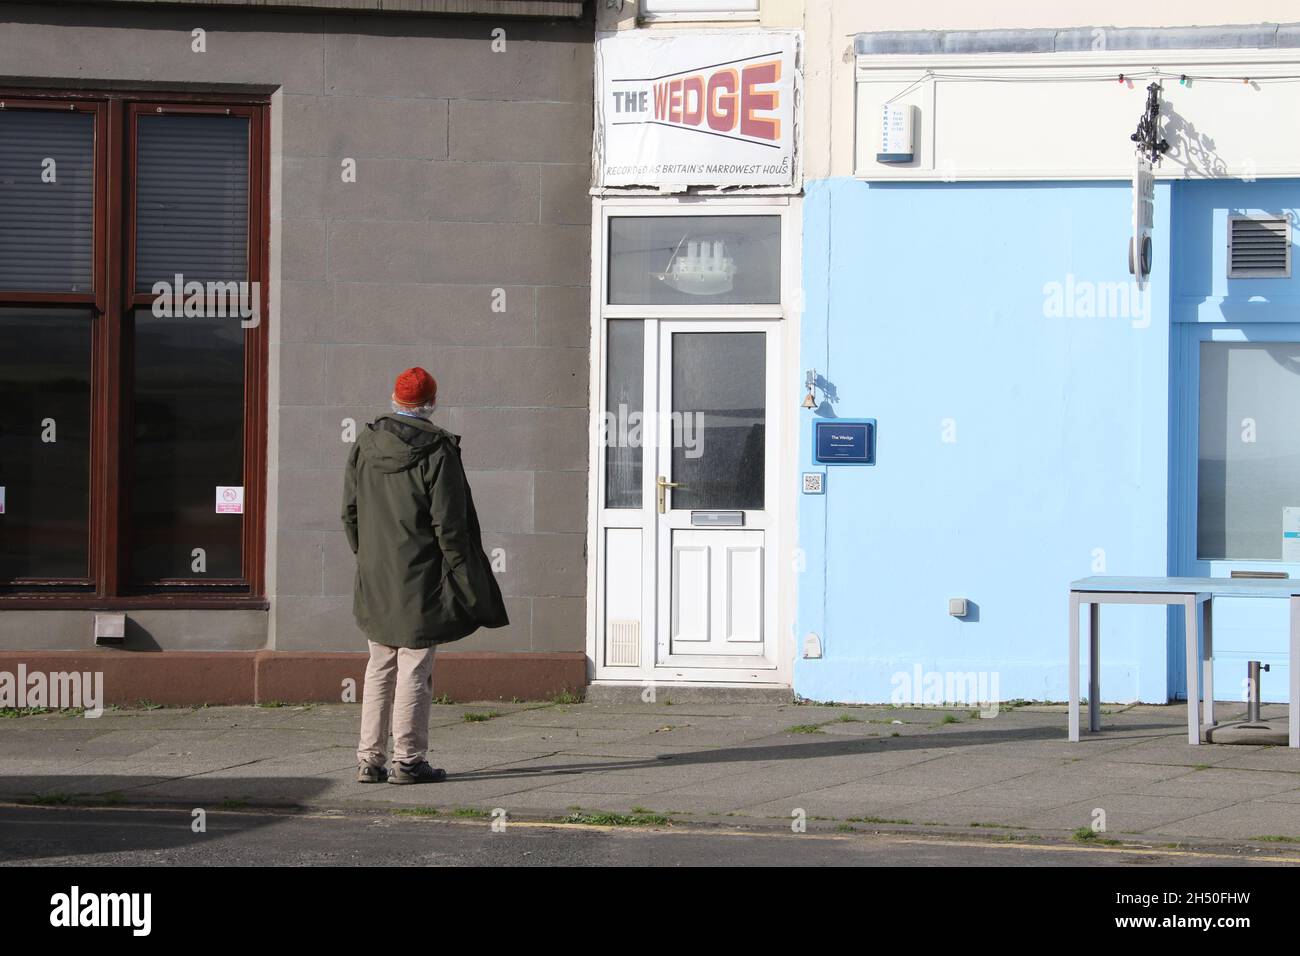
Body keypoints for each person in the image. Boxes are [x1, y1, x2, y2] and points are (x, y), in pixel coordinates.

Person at [343, 367, 508, 784]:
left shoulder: (364, 443)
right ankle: (409, 761)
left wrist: (367, 555)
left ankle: (369, 760)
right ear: (431, 402)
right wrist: (464, 574)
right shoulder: (438, 451)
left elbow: (350, 513)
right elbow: (449, 526)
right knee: (415, 666)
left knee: (380, 664)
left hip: (377, 572)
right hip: (422, 576)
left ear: (394, 398)